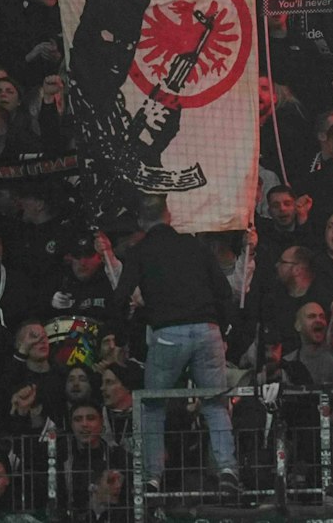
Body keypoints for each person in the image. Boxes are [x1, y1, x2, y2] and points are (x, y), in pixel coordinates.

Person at [113, 195, 242, 499]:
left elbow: (120, 298)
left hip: (168, 333)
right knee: (215, 403)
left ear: (141, 221)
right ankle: (227, 469)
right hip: (207, 331)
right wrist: (224, 329)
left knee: (152, 405)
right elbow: (223, 291)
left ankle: (151, 477)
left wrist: (120, 337)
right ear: (169, 215)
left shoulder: (139, 251)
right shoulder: (196, 246)